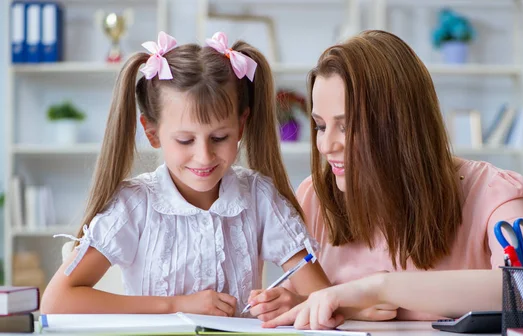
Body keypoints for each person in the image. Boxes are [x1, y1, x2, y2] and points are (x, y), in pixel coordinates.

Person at [257, 30, 523, 329]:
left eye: (346, 127)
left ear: (398, 127)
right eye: (321, 126)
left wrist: (380, 288)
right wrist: (314, 305)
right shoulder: (315, 197)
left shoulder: (489, 190)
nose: (326, 145)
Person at [41, 31, 330, 317]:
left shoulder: (259, 197)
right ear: (152, 132)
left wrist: (294, 301)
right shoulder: (134, 205)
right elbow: (57, 302)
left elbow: (323, 297)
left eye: (219, 138)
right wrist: (177, 305)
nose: (204, 156)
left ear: (241, 126)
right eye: (185, 141)